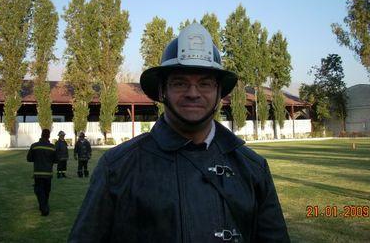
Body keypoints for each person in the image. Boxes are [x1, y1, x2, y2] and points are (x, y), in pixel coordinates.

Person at [69, 23, 290, 242]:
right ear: (162, 90)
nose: (193, 93)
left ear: (219, 92)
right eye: (179, 83)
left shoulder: (253, 169)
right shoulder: (116, 168)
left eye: (205, 84)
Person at [27, 128, 57, 216]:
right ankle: (44, 206)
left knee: (39, 191)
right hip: (48, 174)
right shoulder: (52, 147)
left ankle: (44, 208)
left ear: (41, 135)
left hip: (38, 173)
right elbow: (56, 160)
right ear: (49, 136)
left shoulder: (34, 146)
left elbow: (29, 158)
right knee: (46, 191)